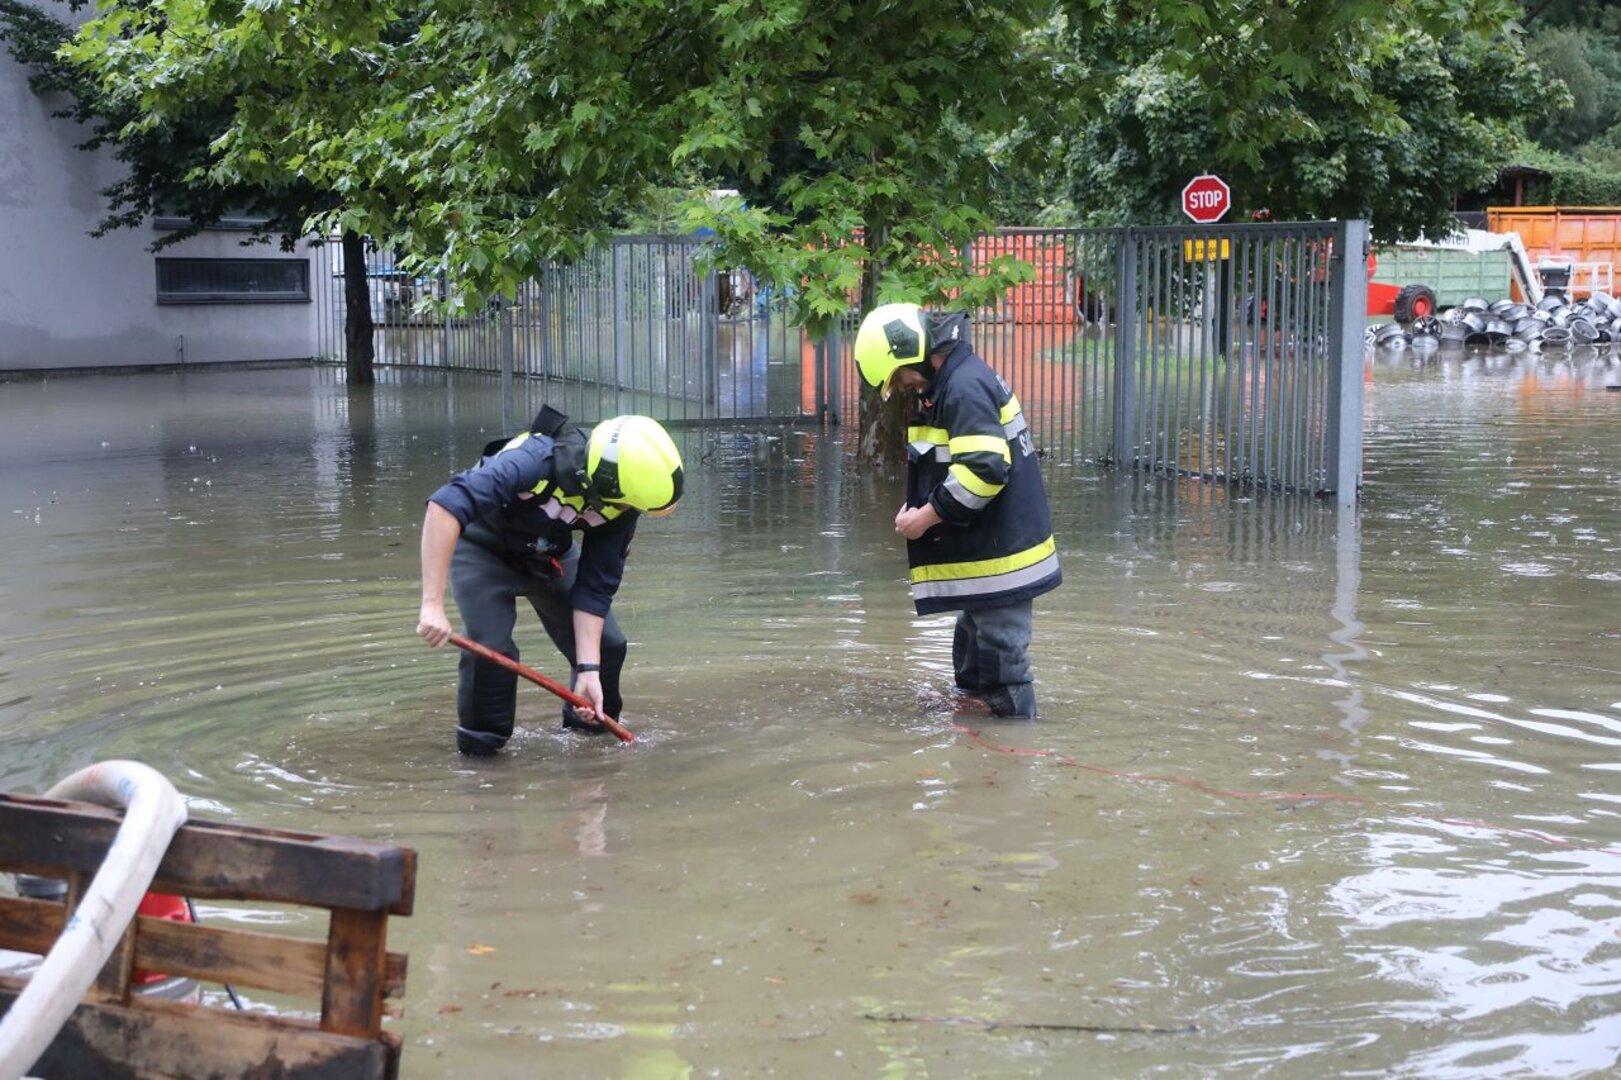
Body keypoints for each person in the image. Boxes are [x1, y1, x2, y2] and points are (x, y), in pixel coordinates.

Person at [415, 407, 683, 755]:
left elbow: (595, 586)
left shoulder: (622, 506)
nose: (627, 511)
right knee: (493, 650)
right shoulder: (533, 460)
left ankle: (586, 741)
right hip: (483, 549)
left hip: (549, 556)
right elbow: (445, 506)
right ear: (604, 481)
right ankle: (481, 760)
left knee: (607, 647)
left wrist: (588, 669)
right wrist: (432, 604)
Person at [854, 303, 1060, 718]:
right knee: (971, 656)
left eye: (900, 377)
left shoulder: (963, 388)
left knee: (1003, 665)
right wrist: (923, 504)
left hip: (1003, 560)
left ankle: (1015, 749)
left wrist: (926, 516)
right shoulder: (954, 383)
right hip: (989, 554)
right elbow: (959, 461)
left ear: (913, 353)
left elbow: (984, 472)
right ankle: (977, 744)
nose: (907, 386)